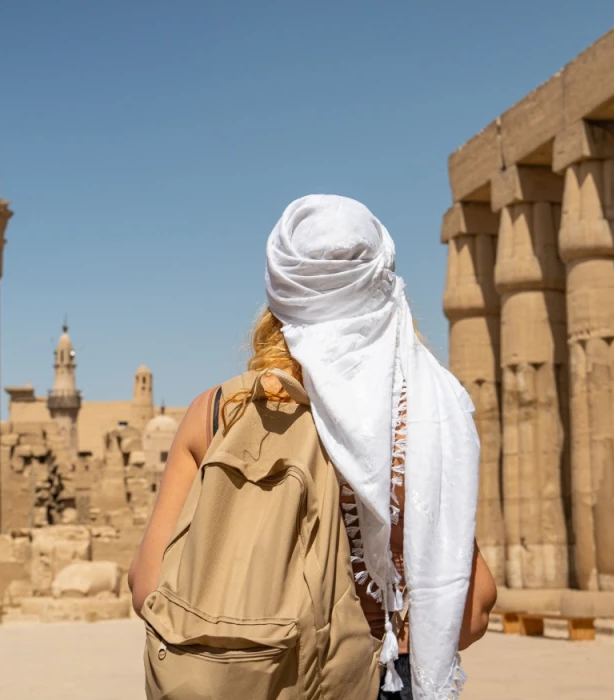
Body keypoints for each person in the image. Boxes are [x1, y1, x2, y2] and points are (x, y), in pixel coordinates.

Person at [130, 195, 497, 700]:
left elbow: (148, 585)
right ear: (382, 281)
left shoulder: (216, 412)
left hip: (250, 679)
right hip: (382, 678)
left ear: (280, 286)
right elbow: (473, 608)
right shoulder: (424, 418)